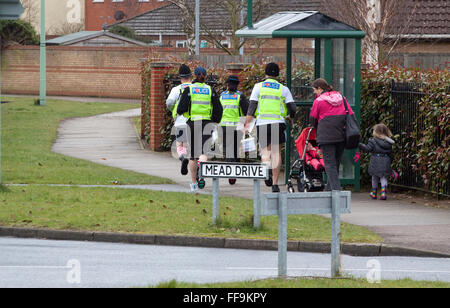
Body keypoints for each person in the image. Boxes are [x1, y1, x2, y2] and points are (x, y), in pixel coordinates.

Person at [244, 62, 296, 193]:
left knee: (265, 151)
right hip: (278, 123)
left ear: (266, 73)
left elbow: (252, 107)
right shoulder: (283, 89)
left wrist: (246, 125)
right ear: (277, 74)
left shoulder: (258, 87)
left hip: (262, 123)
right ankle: (275, 184)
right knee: (276, 152)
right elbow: (292, 107)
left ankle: (266, 167)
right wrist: (290, 117)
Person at [177, 67, 223, 192]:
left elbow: (181, 108)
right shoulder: (210, 90)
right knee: (203, 153)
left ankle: (193, 184)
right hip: (207, 123)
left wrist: (184, 113)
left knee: (193, 155)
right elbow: (218, 109)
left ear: (194, 76)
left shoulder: (189, 89)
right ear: (205, 76)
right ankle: (201, 175)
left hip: (192, 123)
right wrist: (214, 120)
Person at [309, 78, 355, 191]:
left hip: (326, 137)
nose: (314, 92)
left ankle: (336, 192)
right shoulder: (341, 98)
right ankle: (328, 191)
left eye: (314, 90)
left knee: (329, 164)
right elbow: (351, 114)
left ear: (320, 88)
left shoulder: (319, 101)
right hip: (341, 136)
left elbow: (312, 120)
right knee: (335, 163)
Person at [219, 75, 249, 185]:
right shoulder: (240, 96)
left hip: (224, 126)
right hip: (237, 126)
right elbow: (246, 111)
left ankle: (231, 172)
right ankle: (233, 172)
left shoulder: (222, 96)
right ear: (237, 85)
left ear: (227, 84)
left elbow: (218, 110)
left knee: (229, 149)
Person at [166, 64, 192, 176]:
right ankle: (195, 165)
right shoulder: (195, 88)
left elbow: (169, 103)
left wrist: (173, 110)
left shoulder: (176, 89)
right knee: (191, 145)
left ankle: (182, 157)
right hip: (192, 121)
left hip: (180, 121)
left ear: (180, 77)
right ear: (191, 76)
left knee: (180, 144)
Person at [359, 123, 395, 200]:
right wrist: (390, 163)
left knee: (374, 177)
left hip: (375, 161)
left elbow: (367, 149)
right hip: (386, 161)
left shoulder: (373, 141)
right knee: (383, 177)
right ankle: (383, 193)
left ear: (376, 132)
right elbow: (391, 154)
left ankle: (374, 193)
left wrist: (360, 145)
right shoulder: (389, 142)